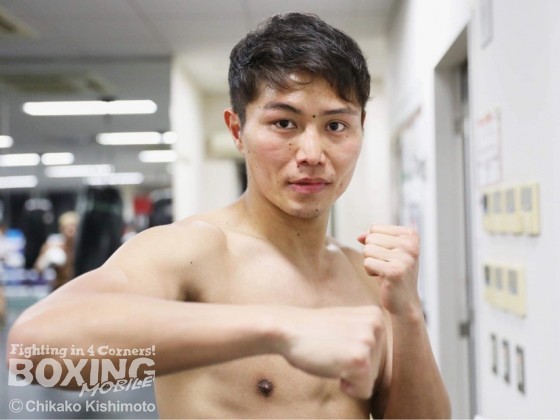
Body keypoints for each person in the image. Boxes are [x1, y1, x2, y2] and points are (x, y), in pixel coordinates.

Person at [8, 13, 450, 419]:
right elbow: (33, 353)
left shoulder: (368, 277)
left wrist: (408, 314)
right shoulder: (195, 251)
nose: (312, 154)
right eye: (284, 123)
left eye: (336, 126)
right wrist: (281, 328)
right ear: (238, 131)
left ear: (360, 129)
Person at [34, 211, 79, 290]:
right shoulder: (53, 245)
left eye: (73, 226)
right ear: (61, 228)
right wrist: (46, 259)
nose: (71, 229)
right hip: (59, 288)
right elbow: (38, 269)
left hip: (78, 287)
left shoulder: (82, 247)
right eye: (68, 226)